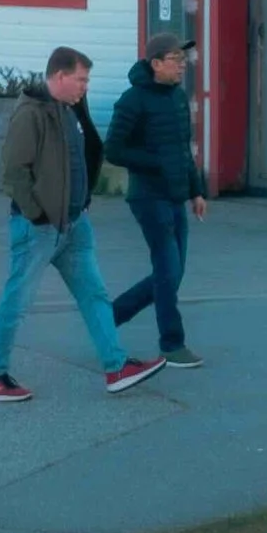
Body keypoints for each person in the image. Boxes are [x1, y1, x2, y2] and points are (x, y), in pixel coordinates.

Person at [0, 47, 165, 402]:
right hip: (40, 228)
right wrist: (39, 214)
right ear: (60, 76)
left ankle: (116, 366)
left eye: (87, 80)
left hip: (75, 225)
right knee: (16, 302)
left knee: (94, 294)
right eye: (81, 79)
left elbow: (84, 157)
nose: (85, 86)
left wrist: (81, 204)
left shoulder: (69, 110)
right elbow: (14, 172)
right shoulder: (30, 115)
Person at [106, 32, 209, 368]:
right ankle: (172, 344)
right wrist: (156, 163)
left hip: (176, 196)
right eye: (176, 60)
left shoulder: (178, 98)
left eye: (184, 61)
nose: (182, 67)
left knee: (172, 274)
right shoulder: (133, 100)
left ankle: (107, 318)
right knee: (167, 269)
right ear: (155, 63)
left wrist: (197, 191)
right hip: (148, 197)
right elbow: (114, 149)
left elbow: (184, 148)